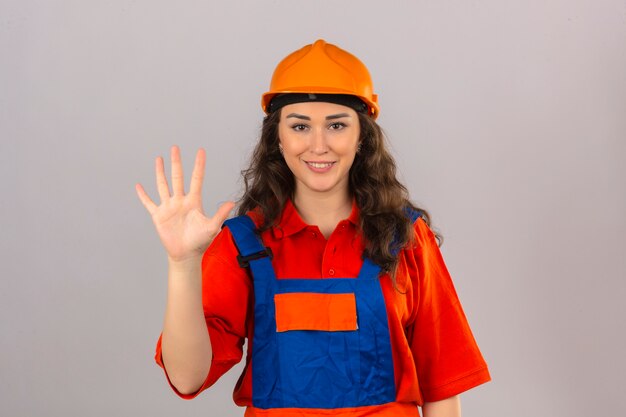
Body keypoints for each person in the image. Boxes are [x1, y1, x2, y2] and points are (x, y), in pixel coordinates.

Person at [136, 39, 490, 417]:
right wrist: (182, 263)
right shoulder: (244, 244)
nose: (318, 145)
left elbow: (443, 386)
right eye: (300, 126)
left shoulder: (404, 238)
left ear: (362, 136)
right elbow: (187, 378)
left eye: (336, 125)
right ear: (278, 137)